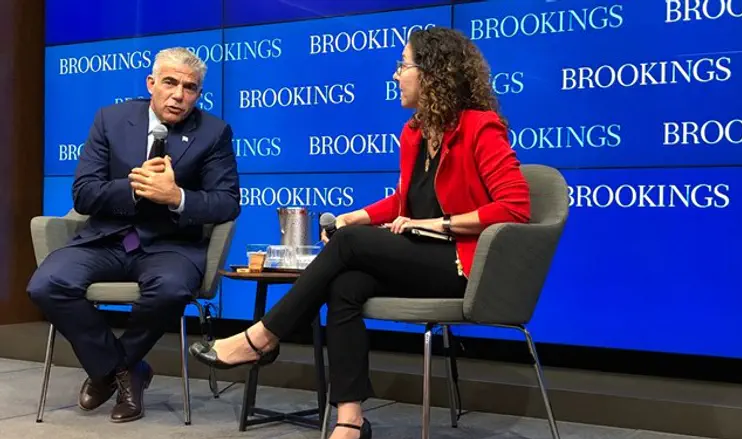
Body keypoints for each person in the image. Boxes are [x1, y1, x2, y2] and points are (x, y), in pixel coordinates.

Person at [190, 27, 531, 439]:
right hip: (421, 257)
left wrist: (436, 224)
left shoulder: (481, 127)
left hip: (463, 266)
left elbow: (514, 207)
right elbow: (404, 200)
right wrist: (358, 216)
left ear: (434, 73)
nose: (395, 75)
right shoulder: (415, 133)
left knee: (348, 246)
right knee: (346, 284)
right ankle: (350, 420)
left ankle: (262, 335)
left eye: (403, 66)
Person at [27, 47, 240, 423]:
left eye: (190, 88)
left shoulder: (213, 132)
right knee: (46, 284)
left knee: (172, 289)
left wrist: (176, 197)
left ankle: (110, 370)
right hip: (107, 238)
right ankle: (124, 370)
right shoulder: (111, 119)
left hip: (170, 245)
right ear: (151, 83)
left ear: (198, 93)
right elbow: (84, 193)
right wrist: (134, 188)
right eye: (170, 83)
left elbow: (226, 203)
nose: (179, 95)